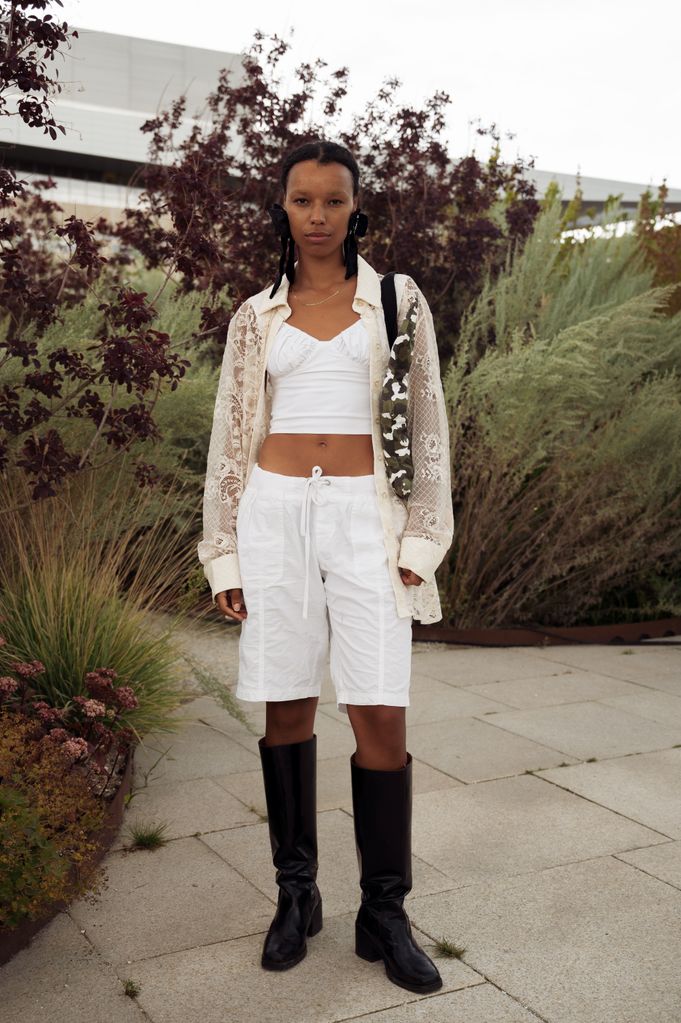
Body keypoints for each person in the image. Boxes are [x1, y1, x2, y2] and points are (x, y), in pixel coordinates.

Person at [197, 138, 453, 994]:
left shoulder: (395, 298)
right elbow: (230, 437)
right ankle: (295, 893)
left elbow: (426, 425)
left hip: (362, 519)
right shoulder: (253, 314)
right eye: (301, 200)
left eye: (332, 201)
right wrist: (225, 547)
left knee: (381, 708)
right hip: (273, 513)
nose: (316, 216)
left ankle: (384, 910)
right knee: (286, 705)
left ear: (354, 208)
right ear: (282, 208)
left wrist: (420, 540)